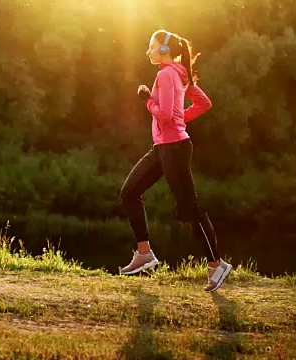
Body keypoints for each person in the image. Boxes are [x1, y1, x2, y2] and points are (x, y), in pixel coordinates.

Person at [118, 30, 233, 292]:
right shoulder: (180, 74)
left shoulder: (167, 74)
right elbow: (203, 103)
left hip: (174, 149)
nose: (147, 51)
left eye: (151, 47)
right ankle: (144, 253)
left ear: (162, 50)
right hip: (163, 148)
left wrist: (147, 100)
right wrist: (180, 118)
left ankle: (217, 264)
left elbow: (167, 115)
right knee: (129, 192)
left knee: (190, 207)